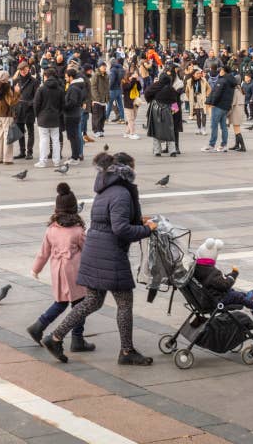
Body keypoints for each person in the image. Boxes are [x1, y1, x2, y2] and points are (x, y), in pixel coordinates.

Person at [43, 152, 157, 365]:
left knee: (92, 301)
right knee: (124, 303)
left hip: (95, 251)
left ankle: (55, 337)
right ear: (127, 170)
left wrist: (141, 221)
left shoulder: (104, 191)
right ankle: (126, 352)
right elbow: (120, 228)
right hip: (110, 255)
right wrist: (147, 230)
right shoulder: (122, 193)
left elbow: (108, 220)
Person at [25, 182, 94, 354]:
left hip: (58, 272)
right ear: (74, 208)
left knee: (61, 303)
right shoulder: (77, 230)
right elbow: (88, 252)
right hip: (74, 272)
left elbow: (43, 253)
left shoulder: (51, 229)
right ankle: (77, 340)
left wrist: (36, 269)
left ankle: (38, 326)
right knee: (80, 305)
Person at [191, 238, 253, 314]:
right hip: (215, 300)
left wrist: (227, 276)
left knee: (232, 292)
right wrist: (234, 274)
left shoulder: (199, 268)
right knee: (234, 295)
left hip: (208, 297)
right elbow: (225, 285)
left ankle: (246, 297)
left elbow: (217, 281)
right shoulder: (211, 271)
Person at [33, 67, 64, 168]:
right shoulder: (59, 89)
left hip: (43, 117)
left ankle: (43, 161)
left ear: (45, 76)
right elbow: (62, 105)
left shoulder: (41, 89)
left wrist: (37, 115)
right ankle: (57, 160)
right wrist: (58, 113)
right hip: (55, 117)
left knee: (43, 139)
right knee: (56, 140)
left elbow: (36, 104)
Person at [0, 71, 19, 165]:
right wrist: (17, 93)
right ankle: (7, 159)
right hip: (7, 113)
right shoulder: (7, 87)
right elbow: (11, 102)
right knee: (8, 136)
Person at [205, 64, 235, 153]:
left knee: (214, 125)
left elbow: (216, 93)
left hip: (218, 106)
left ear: (224, 71)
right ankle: (224, 145)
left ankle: (212, 145)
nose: (219, 72)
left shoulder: (222, 80)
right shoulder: (231, 81)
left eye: (221, 70)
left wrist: (212, 103)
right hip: (225, 106)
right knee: (223, 127)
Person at [12, 60, 38, 161]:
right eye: (21, 70)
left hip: (29, 109)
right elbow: (13, 96)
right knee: (20, 131)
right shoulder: (16, 81)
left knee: (30, 131)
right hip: (18, 109)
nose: (23, 71)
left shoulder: (34, 81)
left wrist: (30, 103)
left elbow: (36, 96)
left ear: (28, 69)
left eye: (24, 69)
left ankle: (29, 152)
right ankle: (22, 151)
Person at [63, 68, 89, 161]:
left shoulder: (73, 88)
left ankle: (75, 156)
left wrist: (63, 106)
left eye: (66, 77)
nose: (65, 79)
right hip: (75, 113)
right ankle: (77, 154)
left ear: (71, 77)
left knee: (73, 136)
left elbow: (72, 102)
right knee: (75, 136)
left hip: (72, 115)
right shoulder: (77, 86)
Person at [121, 67, 141, 140]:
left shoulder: (134, 82)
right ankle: (132, 133)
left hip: (135, 103)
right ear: (127, 77)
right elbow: (130, 87)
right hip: (128, 104)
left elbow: (139, 88)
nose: (131, 78)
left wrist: (138, 81)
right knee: (131, 119)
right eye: (130, 77)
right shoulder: (124, 83)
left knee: (133, 119)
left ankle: (126, 132)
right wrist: (134, 79)